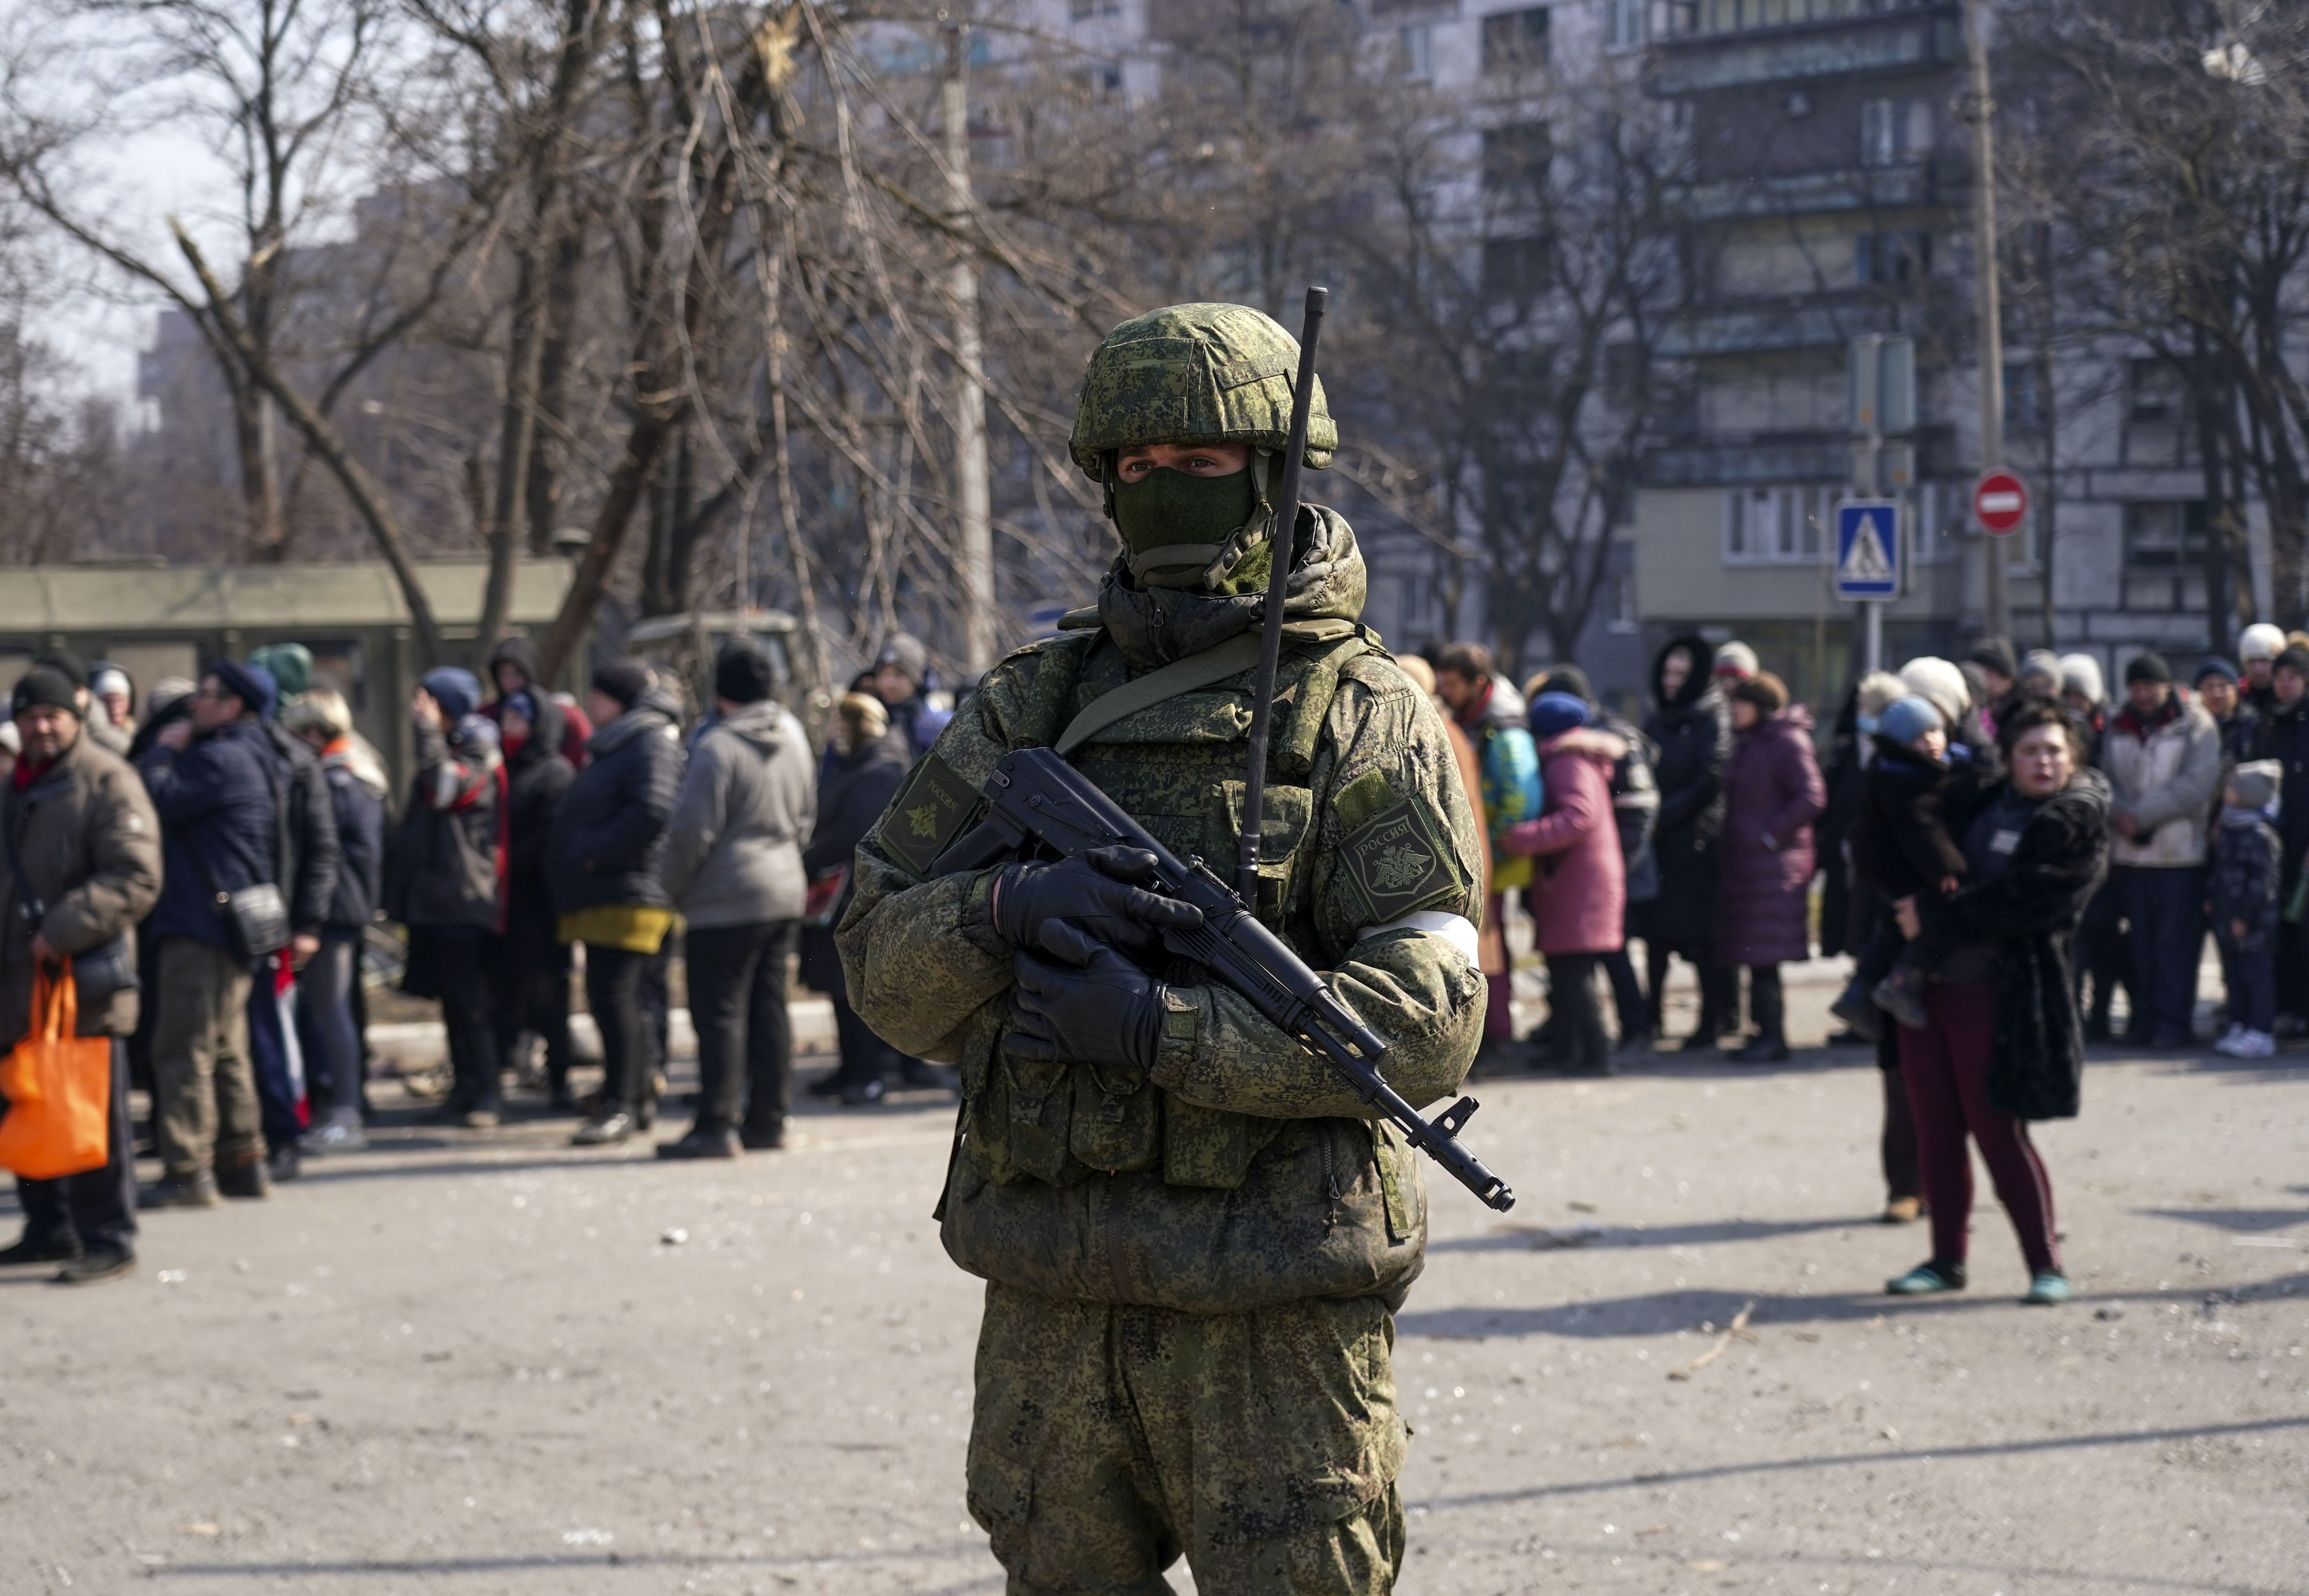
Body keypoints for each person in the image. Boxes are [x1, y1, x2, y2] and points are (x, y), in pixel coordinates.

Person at [841, 301, 1485, 1593]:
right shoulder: (1034, 702)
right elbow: (872, 955)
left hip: (1269, 1308)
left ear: (1273, 475)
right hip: (1050, 1292)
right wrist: (1000, 915)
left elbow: (1419, 1025)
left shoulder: (1365, 714)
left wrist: (1160, 1031)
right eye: (1130, 468)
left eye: (1194, 465)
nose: (1157, 490)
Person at [1885, 698, 2109, 1305]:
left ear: (2072, 757)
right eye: (2030, 751)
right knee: (1935, 1131)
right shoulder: (1978, 799)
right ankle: (1944, 1259)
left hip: (2001, 993)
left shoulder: (2074, 821)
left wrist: (1931, 914)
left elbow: (2026, 903)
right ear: (2008, 759)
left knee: (1997, 1130)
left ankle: (2044, 1263)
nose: (2042, 762)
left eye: (2053, 751)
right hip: (1927, 987)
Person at [0, 667, 161, 1282]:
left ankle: (109, 1236)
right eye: (29, 715)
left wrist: (62, 928)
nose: (41, 726)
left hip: (79, 978)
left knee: (91, 1110)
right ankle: (50, 1225)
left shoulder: (108, 780)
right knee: (29, 1100)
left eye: (51, 715)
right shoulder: (16, 784)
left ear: (74, 717)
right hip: (17, 980)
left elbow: (136, 876)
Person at [657, 644, 816, 1157]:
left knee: (720, 1013)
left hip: (725, 897)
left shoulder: (717, 747)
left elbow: (692, 833)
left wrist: (669, 888)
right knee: (770, 1009)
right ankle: (769, 1120)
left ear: (719, 692)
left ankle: (716, 1124)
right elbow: (807, 812)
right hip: (784, 886)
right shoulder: (792, 734)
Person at [136, 660, 284, 1207]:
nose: (194, 703)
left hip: (201, 920)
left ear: (236, 705)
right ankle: (243, 1159)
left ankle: (187, 1168)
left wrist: (164, 749)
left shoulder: (218, 756)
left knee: (184, 1047)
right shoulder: (253, 753)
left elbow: (156, 798)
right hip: (231, 921)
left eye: (208, 695)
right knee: (225, 1048)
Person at [550, 659, 684, 1146]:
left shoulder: (648, 740)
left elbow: (652, 812)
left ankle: (624, 1103)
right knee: (615, 999)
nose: (591, 704)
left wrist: (589, 853)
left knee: (618, 998)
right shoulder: (620, 741)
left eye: (599, 696)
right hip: (611, 892)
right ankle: (628, 1094)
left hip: (631, 892)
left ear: (620, 700)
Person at [387, 669, 507, 1127]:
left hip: (463, 896)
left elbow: (445, 789)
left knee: (470, 1001)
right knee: (452, 1002)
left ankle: (487, 1094)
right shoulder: (451, 745)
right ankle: (465, 1088)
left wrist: (425, 731)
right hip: (437, 899)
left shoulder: (477, 748)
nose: (419, 710)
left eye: (428, 703)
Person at [282, 690, 387, 1153]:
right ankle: (346, 1107)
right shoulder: (358, 772)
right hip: (346, 905)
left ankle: (346, 1112)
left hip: (334, 909)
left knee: (333, 1010)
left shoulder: (338, 781)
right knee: (335, 1010)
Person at [1533, 664, 1657, 1057]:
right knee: (1589, 960)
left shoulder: (1576, 752)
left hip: (1601, 867)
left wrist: (1618, 863)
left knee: (1601, 959)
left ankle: (1618, 1039)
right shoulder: (1591, 742)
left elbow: (1632, 809)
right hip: (1600, 866)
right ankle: (1573, 1042)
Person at [1501, 691, 1627, 1076]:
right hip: (1579, 878)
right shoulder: (1575, 757)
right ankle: (1569, 1050)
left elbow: (1578, 817)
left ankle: (1595, 1054)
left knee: (1574, 974)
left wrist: (1521, 837)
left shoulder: (1567, 761)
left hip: (1579, 881)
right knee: (1567, 971)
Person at [2099, 652, 2219, 1049]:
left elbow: (2195, 787)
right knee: (2141, 946)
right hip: (2130, 855)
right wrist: (2120, 815)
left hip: (2179, 856)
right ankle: (2143, 1020)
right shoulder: (2117, 725)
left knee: (2174, 947)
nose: (2143, 694)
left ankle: (2173, 1024)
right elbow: (2104, 779)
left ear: (2167, 687)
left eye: (2150, 686)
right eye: (2136, 687)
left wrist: (2142, 816)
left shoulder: (2196, 725)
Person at [800, 691, 914, 1105]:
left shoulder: (881, 769)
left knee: (854, 987)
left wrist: (809, 857)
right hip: (835, 890)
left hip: (858, 892)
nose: (834, 734)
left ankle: (868, 1073)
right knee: (836, 986)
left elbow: (853, 832)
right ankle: (849, 1066)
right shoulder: (853, 766)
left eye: (841, 725)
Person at [1434, 641, 1539, 1073]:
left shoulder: (1502, 729)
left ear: (1479, 684)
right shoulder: (1474, 721)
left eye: (1453, 684)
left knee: (1488, 948)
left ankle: (1497, 1038)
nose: (1445, 691)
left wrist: (1491, 846)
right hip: (1480, 851)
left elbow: (1519, 797)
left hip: (1489, 854)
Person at [1714, 671, 1824, 1063]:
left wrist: (1769, 835)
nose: (1732, 710)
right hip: (1750, 866)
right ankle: (1762, 1031)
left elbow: (1811, 796)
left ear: (1758, 705)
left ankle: (1773, 1038)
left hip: (1773, 867)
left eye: (1738, 703)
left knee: (1764, 960)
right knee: (1755, 955)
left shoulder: (1786, 740)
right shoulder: (1752, 742)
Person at [1846, 695, 1967, 1032]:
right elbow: (1922, 829)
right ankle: (1901, 986)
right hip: (1909, 871)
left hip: (1888, 869)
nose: (1929, 741)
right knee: (1923, 925)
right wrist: (1946, 867)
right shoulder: (1906, 778)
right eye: (1918, 737)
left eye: (1933, 731)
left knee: (1889, 929)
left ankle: (1858, 991)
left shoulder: (1892, 769)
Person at [1639, 634, 1734, 1048]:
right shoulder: (1656, 719)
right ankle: (1651, 1017)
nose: (1671, 681)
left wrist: (1664, 813)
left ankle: (1711, 1020)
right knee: (1655, 939)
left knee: (1701, 940)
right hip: (1658, 844)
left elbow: (1711, 779)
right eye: (1666, 672)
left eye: (1680, 673)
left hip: (1697, 844)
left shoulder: (1713, 717)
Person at [486, 687, 577, 1110]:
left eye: (518, 720)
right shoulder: (500, 769)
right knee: (505, 994)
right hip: (504, 904)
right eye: (505, 720)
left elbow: (552, 839)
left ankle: (559, 1076)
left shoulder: (554, 773)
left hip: (539, 905)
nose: (509, 728)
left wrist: (506, 860)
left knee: (548, 996)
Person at [1403, 656, 1506, 1002]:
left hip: (1455, 854)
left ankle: (1494, 1040)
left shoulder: (1433, 727)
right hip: (1465, 849)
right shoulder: (1446, 724)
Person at [2209, 760, 2283, 1059]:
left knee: (2256, 974)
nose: (2227, 792)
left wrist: (2245, 917)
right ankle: (2239, 1023)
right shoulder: (2228, 826)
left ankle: (2261, 1031)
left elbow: (2263, 884)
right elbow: (2219, 870)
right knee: (2234, 974)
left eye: (2233, 788)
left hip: (2254, 923)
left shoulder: (2261, 836)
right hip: (2226, 915)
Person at [2254, 646, 2309, 1031]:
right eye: (2280, 676)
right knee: (2282, 931)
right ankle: (2287, 1006)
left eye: (2293, 676)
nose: (2285, 683)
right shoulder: (2268, 722)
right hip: (2276, 841)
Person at [486, 634, 593, 770]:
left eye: (517, 674)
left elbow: (585, 758)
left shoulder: (567, 715)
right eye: (504, 674)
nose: (510, 681)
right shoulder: (487, 715)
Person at [868, 633, 950, 759]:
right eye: (884, 674)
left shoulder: (940, 727)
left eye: (899, 675)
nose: (889, 683)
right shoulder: (866, 722)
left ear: (917, 680)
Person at [2195, 657, 2257, 767]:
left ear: (2235, 690)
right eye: (2210, 686)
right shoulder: (2191, 728)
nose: (2216, 693)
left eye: (2223, 686)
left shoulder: (2254, 724)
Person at [2239, 623, 2286, 714]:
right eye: (2251, 662)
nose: (2258, 670)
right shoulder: (2237, 696)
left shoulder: (2293, 696)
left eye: (2264, 661)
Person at [89, 663, 135, 747]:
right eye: (108, 702)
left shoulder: (137, 735)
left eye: (120, 701)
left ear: (129, 702)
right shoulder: (89, 740)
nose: (115, 709)